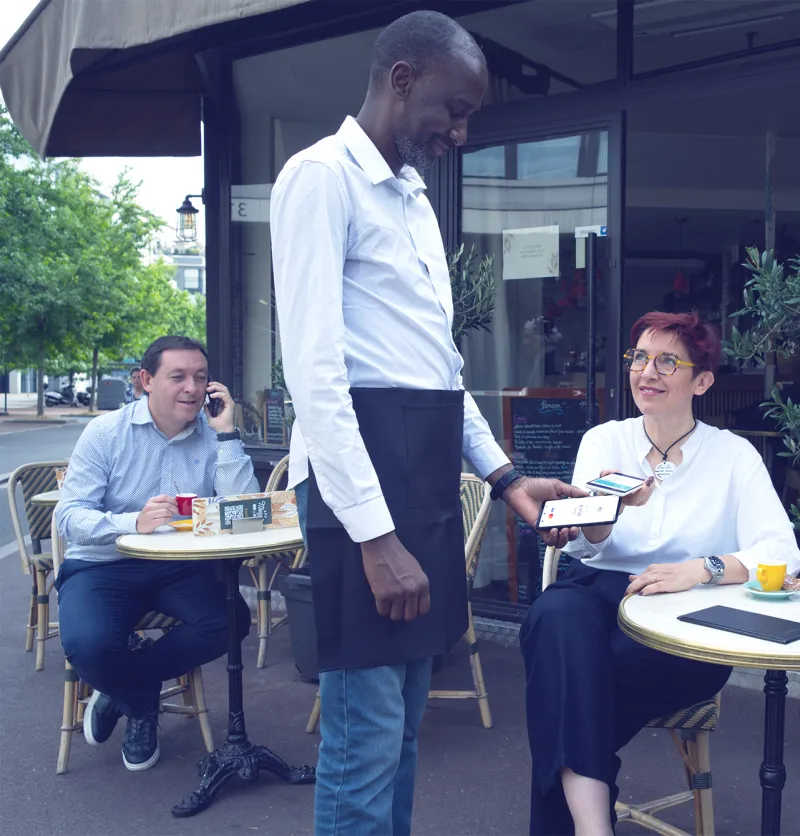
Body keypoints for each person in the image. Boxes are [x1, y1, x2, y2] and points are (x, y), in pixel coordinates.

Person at [269, 11, 582, 836]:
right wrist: (374, 538)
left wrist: (507, 480)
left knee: (403, 728)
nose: (461, 131)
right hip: (363, 484)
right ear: (401, 80)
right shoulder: (320, 178)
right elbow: (315, 377)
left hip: (426, 475)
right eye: (455, 109)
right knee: (365, 739)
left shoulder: (412, 197)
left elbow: (439, 370)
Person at [522, 311, 800, 835]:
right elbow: (584, 543)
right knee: (556, 615)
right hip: (597, 595)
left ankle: (585, 820)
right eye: (640, 358)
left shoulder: (732, 456)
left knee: (566, 686)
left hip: (687, 620)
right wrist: (608, 507)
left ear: (702, 381)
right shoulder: (604, 441)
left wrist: (701, 569)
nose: (647, 372)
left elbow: (782, 553)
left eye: (668, 362)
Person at [55, 335, 254, 772]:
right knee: (89, 644)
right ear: (146, 380)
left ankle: (124, 687)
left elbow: (243, 514)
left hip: (177, 567)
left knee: (232, 619)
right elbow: (68, 516)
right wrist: (133, 522)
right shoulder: (106, 432)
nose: (192, 388)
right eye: (178, 376)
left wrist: (228, 435)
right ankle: (142, 703)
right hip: (103, 564)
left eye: (200, 377)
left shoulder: (212, 435)